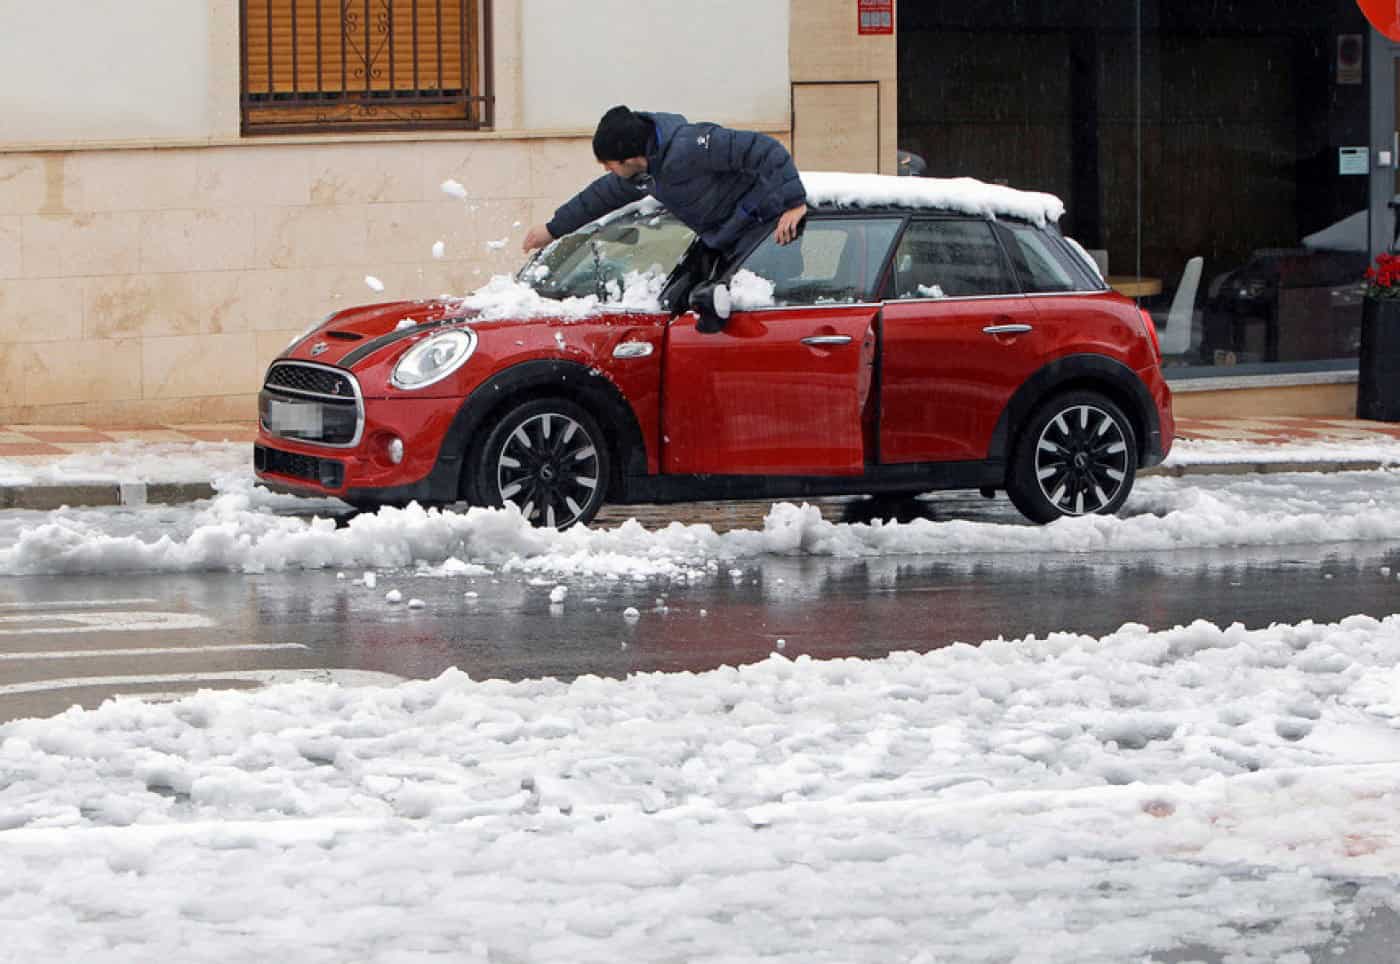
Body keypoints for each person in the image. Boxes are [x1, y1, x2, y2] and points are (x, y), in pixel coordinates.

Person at [522, 106, 808, 259]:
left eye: (608, 163)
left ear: (629, 157)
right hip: (725, 239)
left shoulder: (694, 146)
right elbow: (598, 198)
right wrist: (552, 229)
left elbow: (764, 149)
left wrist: (794, 203)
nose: (606, 169)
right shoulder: (644, 174)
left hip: (766, 234)